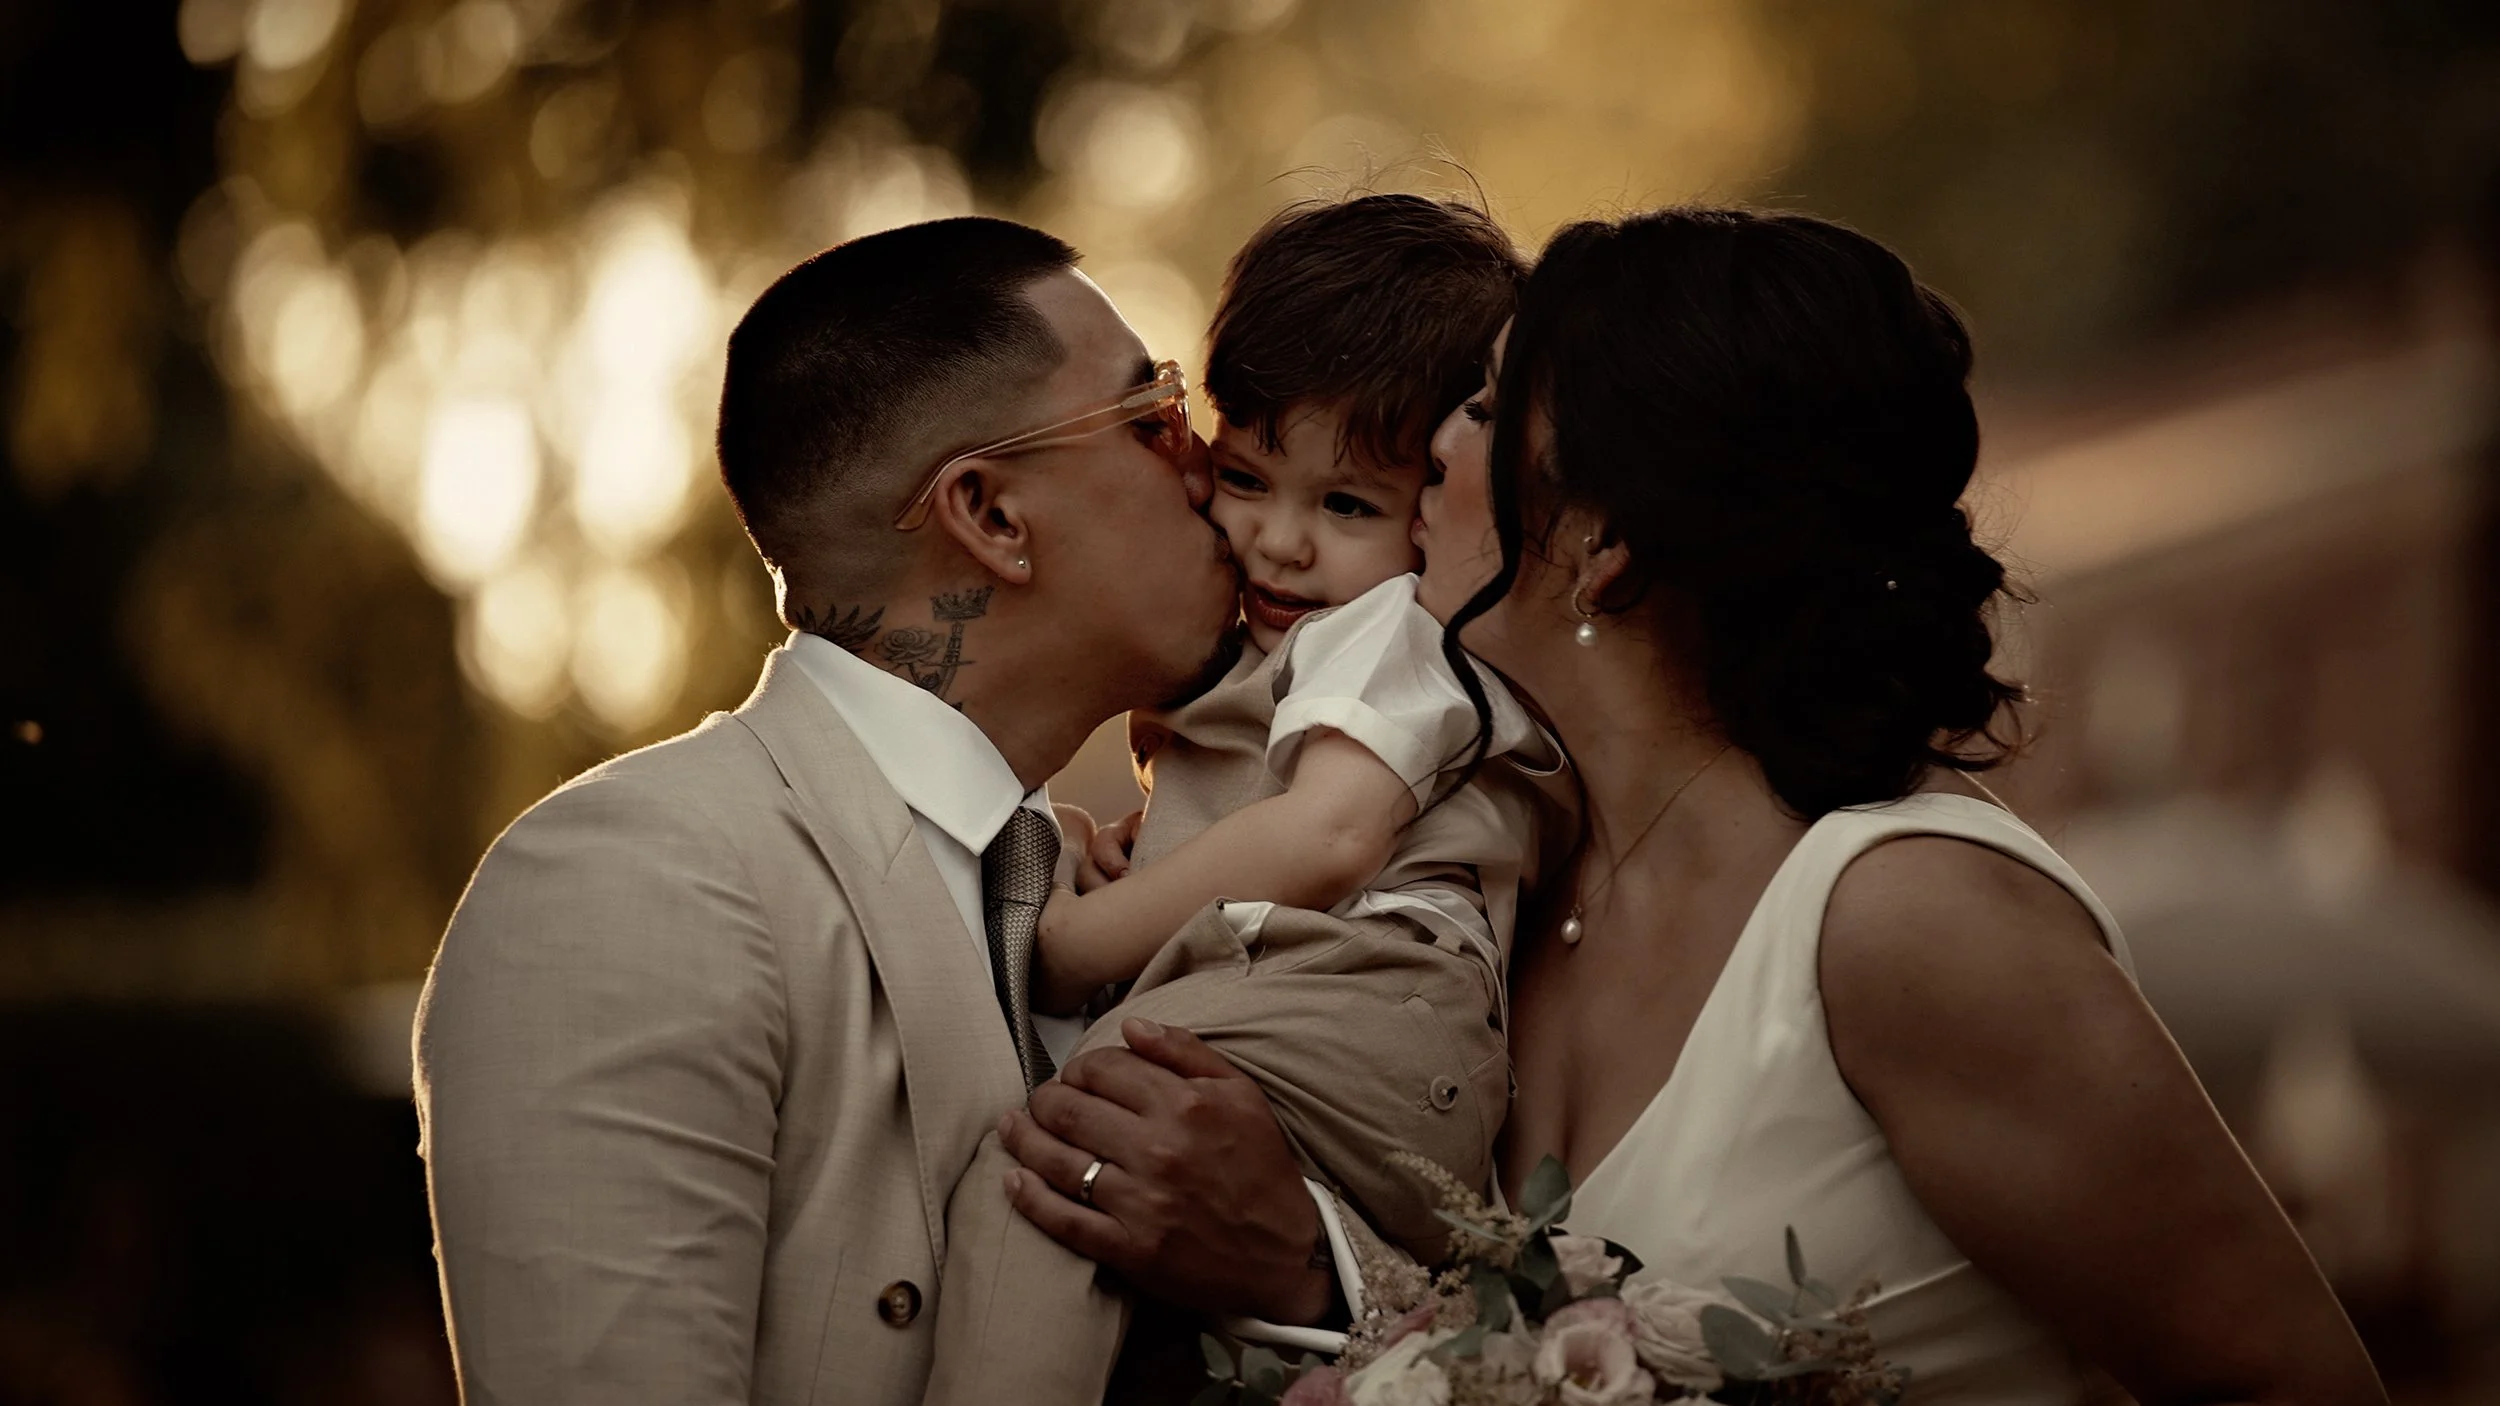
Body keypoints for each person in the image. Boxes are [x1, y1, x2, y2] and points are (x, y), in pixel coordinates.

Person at [1004, 206, 2388, 1404]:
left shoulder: (1908, 916)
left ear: (1604, 543)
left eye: (1479, 409)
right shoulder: (1509, 896)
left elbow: (2287, 1376)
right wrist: (1311, 1266)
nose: (1426, 449)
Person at [412, 216, 1330, 1406]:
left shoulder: (1144, 873)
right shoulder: (632, 886)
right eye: (1152, 414)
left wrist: (1300, 1270)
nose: (1212, 467)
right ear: (991, 515)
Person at [922, 193, 1568, 1406]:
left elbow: (1328, 835)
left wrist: (1072, 943)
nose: (1278, 542)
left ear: (1441, 498)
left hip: (1367, 997)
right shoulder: (1298, 644)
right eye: (1245, 476)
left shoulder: (1394, 630)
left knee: (1044, 1175)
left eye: (1348, 505)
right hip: (1349, 1023)